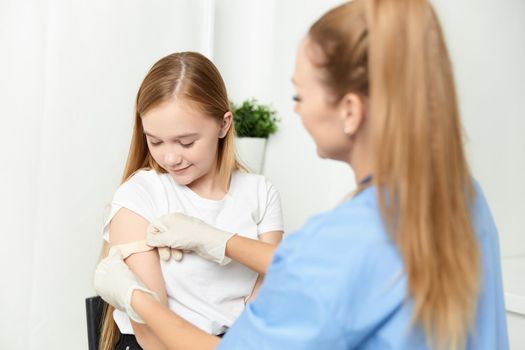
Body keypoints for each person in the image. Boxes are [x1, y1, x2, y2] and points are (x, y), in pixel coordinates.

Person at [94, 0, 509, 349]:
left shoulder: (339, 242)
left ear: (349, 110)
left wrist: (134, 297)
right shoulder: (464, 198)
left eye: (299, 94)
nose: (295, 110)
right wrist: (222, 243)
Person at [98, 51, 284, 350]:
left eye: (186, 142)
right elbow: (152, 338)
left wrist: (214, 239)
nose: (170, 157)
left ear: (223, 125)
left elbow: (272, 301)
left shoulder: (259, 193)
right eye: (155, 141)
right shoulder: (141, 195)